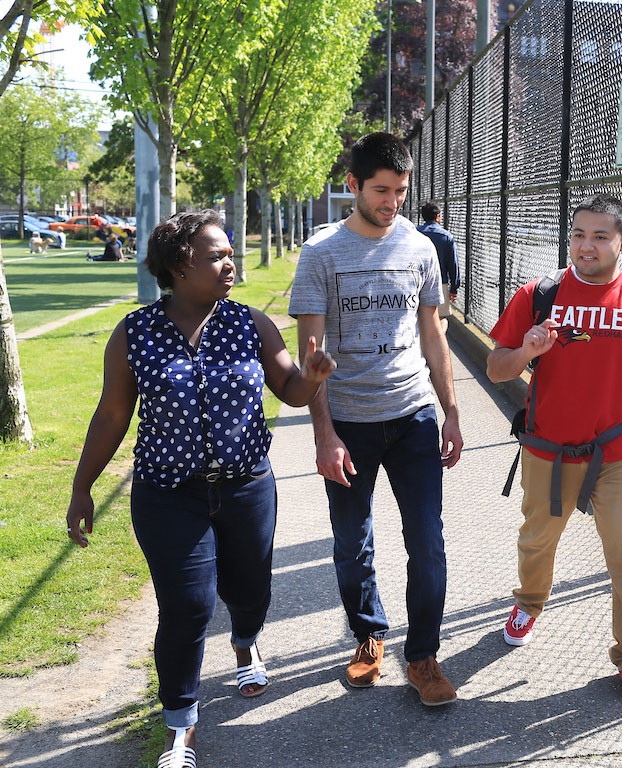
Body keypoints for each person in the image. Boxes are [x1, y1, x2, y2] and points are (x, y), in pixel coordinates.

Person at [66, 209, 336, 768]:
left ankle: (244, 641)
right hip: (168, 495)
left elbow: (289, 389)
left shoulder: (249, 323)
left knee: (249, 589)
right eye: (217, 254)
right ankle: (180, 726)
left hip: (247, 488)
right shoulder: (134, 333)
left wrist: (311, 376)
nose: (229, 261)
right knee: (186, 607)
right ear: (179, 266)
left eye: (230, 251)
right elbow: (112, 415)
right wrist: (82, 488)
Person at [486, 193, 622, 702]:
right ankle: (529, 603)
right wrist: (528, 350)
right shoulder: (539, 295)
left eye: (600, 236)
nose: (586, 245)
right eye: (578, 234)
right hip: (548, 448)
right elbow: (496, 368)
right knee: (536, 541)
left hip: (617, 451)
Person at [289, 132, 463, 706]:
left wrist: (451, 412)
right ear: (354, 187)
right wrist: (324, 435)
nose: (392, 202)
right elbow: (310, 354)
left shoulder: (420, 248)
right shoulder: (320, 254)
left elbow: (433, 333)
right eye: (381, 190)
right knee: (352, 542)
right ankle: (369, 636)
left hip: (412, 415)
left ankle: (424, 657)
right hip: (349, 423)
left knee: (429, 542)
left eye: (401, 192)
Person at [416, 202, 461, 332]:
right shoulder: (446, 236)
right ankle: (436, 347)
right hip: (439, 283)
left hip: (417, 282)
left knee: (418, 318)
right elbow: (453, 264)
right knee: (440, 319)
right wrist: (454, 288)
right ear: (438, 216)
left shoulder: (414, 233)